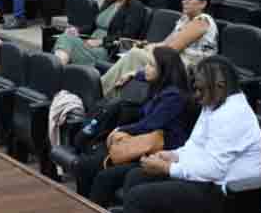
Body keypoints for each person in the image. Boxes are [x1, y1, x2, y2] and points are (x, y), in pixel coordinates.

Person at [120, 56, 261, 213]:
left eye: (200, 89)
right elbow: (195, 146)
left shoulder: (233, 114)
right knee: (136, 176)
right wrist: (172, 155)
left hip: (222, 194)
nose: (196, 95)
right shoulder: (214, 102)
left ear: (220, 85)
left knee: (138, 197)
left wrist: (168, 168)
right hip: (203, 178)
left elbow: (214, 170)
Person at [76, 47, 193, 206]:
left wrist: (122, 130)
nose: (146, 68)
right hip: (141, 144)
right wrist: (133, 74)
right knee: (85, 165)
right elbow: (145, 75)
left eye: (151, 65)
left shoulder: (174, 96)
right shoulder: (160, 86)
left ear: (164, 71)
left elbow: (150, 124)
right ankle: (80, 206)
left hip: (159, 151)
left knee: (103, 177)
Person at [101, 0, 218, 97]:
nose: (184, 1)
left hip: (189, 69)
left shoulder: (202, 20)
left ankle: (100, 91)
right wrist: (146, 45)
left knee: (136, 55)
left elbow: (172, 50)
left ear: (203, 3)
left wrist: (149, 49)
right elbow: (166, 43)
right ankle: (109, 94)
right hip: (175, 61)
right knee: (136, 50)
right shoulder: (185, 19)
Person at [55, 0, 145, 66]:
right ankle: (57, 71)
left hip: (105, 51)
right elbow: (93, 26)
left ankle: (56, 72)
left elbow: (127, 37)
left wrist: (101, 41)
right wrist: (77, 30)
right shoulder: (109, 2)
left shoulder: (135, 6)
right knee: (66, 37)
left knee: (66, 40)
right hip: (88, 43)